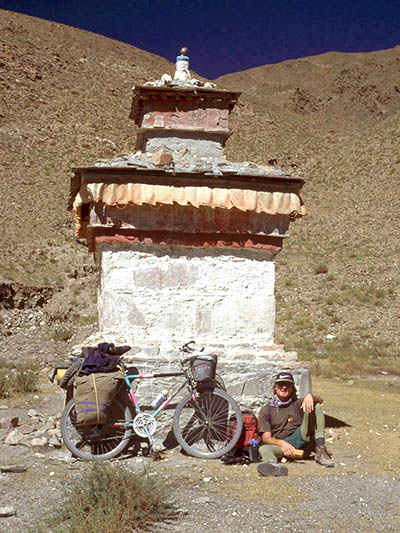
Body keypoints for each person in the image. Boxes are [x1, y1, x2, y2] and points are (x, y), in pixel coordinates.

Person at [257, 370, 334, 476]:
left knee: (315, 405)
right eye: (280, 385)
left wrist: (310, 396)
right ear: (275, 387)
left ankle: (321, 449)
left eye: (287, 385)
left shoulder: (298, 403)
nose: (284, 387)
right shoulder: (266, 410)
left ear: (292, 388)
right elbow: (266, 438)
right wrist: (283, 444)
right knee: (264, 448)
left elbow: (321, 399)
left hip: (301, 440)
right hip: (284, 447)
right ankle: (273, 466)